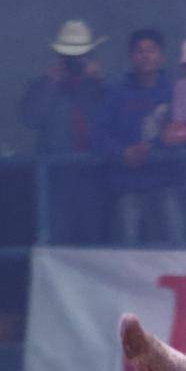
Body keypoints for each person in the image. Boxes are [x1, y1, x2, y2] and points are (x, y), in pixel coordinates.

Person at [19, 19, 110, 241]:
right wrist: (51, 83)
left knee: (93, 236)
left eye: (78, 57)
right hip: (55, 175)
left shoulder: (101, 87)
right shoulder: (43, 85)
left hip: (93, 173)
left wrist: (100, 84)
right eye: (68, 57)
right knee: (56, 236)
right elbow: (30, 119)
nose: (73, 62)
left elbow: (112, 121)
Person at [92, 28, 179, 245]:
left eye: (151, 50)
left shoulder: (176, 91)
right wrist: (123, 153)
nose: (146, 55)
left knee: (175, 251)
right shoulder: (116, 93)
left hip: (166, 183)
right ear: (131, 57)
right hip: (127, 185)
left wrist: (164, 144)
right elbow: (99, 134)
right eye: (140, 51)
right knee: (128, 255)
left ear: (161, 56)